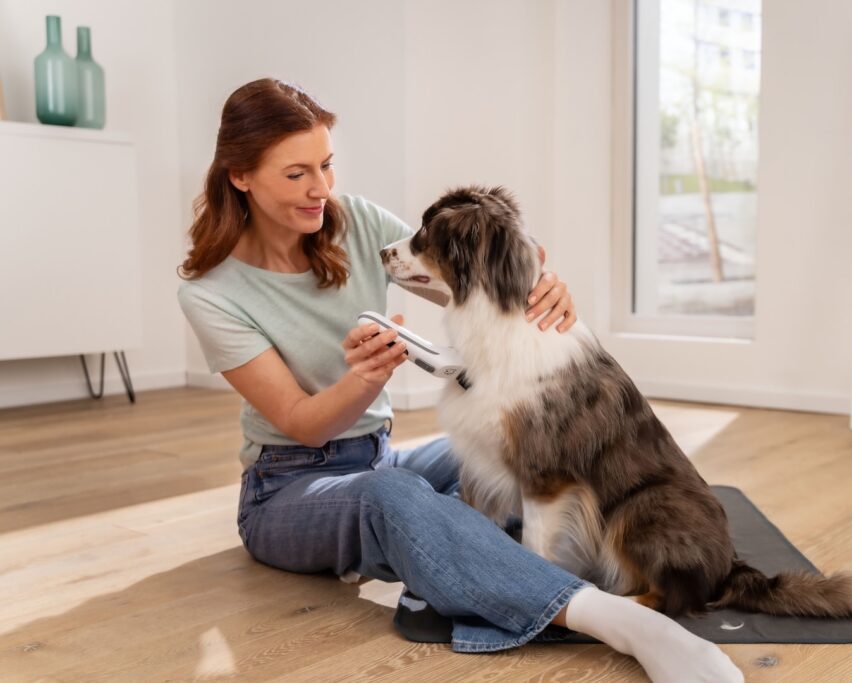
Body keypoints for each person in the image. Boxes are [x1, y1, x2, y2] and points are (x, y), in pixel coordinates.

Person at [176, 78, 742, 683]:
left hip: (376, 455)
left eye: (326, 165)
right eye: (296, 175)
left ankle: (454, 563)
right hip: (286, 490)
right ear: (240, 175)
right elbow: (300, 422)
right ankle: (619, 621)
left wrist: (545, 282)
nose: (322, 189)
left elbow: (476, 262)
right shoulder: (210, 292)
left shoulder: (354, 223)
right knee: (393, 498)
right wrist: (366, 378)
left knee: (506, 452)